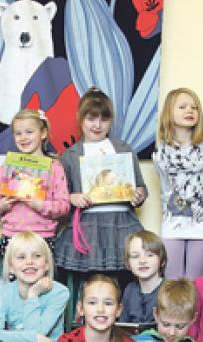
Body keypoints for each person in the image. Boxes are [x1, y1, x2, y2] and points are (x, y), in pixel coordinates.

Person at [53, 88, 148, 283]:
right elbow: (61, 197)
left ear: (110, 121)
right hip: (89, 226)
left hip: (121, 223)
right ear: (80, 119)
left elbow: (141, 187)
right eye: (91, 118)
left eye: (104, 119)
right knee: (89, 282)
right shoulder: (71, 155)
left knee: (124, 280)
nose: (97, 125)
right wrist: (73, 198)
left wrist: (139, 195)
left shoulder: (123, 149)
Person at [152, 87, 203, 280]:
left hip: (202, 225)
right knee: (171, 283)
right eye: (182, 107)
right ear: (169, 112)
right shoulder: (161, 153)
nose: (189, 111)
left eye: (194, 107)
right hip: (172, 224)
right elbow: (165, 193)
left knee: (195, 283)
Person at [0, 108, 70, 239]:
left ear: (43, 133)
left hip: (43, 235)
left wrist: (41, 205)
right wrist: (0, 205)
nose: (23, 138)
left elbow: (64, 206)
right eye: (18, 134)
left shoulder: (55, 168)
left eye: (29, 132)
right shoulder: (8, 166)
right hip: (12, 235)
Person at [119, 230, 166, 325]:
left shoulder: (171, 290)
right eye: (135, 256)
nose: (142, 261)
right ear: (128, 263)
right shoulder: (129, 290)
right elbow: (123, 325)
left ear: (162, 260)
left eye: (149, 255)